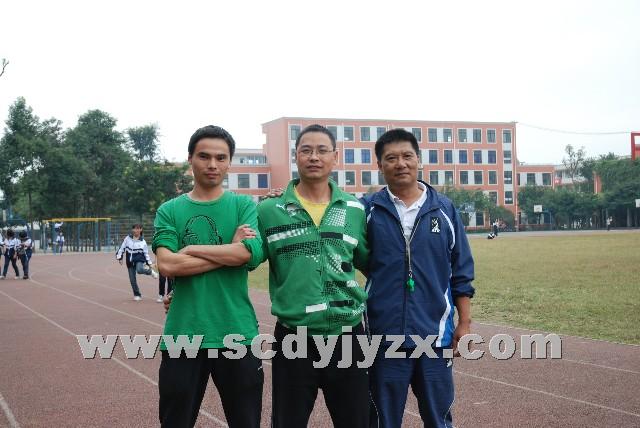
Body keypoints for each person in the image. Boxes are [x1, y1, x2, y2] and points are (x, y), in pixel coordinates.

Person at [256, 124, 371, 428]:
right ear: (296, 156)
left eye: (322, 150)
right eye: (306, 150)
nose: (314, 157)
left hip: (348, 337)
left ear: (336, 156)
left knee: (357, 422)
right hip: (294, 338)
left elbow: (372, 264)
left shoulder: (355, 209)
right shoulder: (269, 210)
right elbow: (243, 259)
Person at [362, 129, 475, 428]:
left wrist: (464, 323)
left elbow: (461, 270)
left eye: (407, 156)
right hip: (384, 336)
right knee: (383, 421)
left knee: (438, 420)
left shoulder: (444, 209)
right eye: (391, 158)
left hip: (434, 335)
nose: (400, 163)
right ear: (379, 165)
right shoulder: (367, 210)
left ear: (418, 160)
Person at [153, 125, 264, 428]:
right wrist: (228, 249)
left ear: (229, 163)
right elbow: (167, 264)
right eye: (204, 156)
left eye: (220, 157)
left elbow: (248, 255)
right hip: (183, 333)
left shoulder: (243, 205)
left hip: (237, 332)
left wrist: (190, 250)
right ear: (190, 158)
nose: (212, 164)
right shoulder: (169, 210)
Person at [115, 224, 159, 300]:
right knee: (132, 280)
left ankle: (150, 272)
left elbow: (146, 254)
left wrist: (150, 264)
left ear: (141, 230)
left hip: (139, 260)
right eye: (134, 229)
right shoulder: (127, 238)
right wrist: (120, 257)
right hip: (130, 261)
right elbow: (122, 248)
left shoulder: (143, 242)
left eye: (138, 229)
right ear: (132, 230)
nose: (136, 230)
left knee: (139, 270)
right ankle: (137, 295)